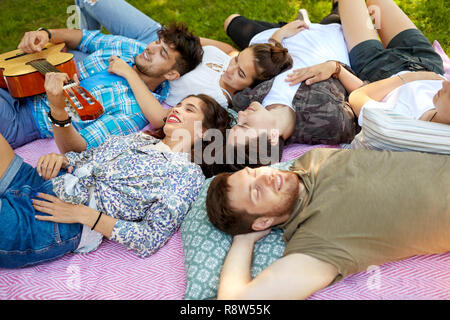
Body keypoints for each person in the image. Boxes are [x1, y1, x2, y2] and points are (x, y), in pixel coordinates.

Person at [0, 84, 232, 268]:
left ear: (204, 131)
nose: (176, 109)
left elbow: (149, 238)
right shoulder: (140, 138)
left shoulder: (187, 174)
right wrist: (62, 159)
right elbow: (86, 157)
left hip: (58, 219)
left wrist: (84, 214)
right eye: (178, 105)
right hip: (43, 181)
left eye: (189, 109)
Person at [205, 148, 450, 299]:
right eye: (256, 192)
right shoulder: (316, 243)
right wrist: (243, 241)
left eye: (253, 172)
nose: (265, 177)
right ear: (263, 222)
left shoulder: (311, 159)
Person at [225, 0, 447, 150]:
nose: (240, 117)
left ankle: (335, 17)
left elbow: (358, 96)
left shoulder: (244, 100)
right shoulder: (430, 122)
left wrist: (278, 38)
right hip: (424, 60)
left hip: (377, 68)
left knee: (232, 23)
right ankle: (336, 17)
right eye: (243, 125)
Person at [73, 0, 294, 132]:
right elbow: (227, 49)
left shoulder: (215, 98)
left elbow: (161, 118)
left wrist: (131, 73)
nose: (231, 68)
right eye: (237, 60)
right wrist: (173, 43)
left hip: (142, 68)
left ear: (250, 85)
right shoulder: (228, 59)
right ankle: (88, 35)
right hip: (155, 39)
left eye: (241, 73)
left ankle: (86, 42)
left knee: (61, 59)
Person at [1, 12, 203, 153]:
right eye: (157, 42)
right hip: (24, 80)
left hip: (27, 118)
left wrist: (57, 108)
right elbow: (84, 38)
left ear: (171, 75)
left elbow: (79, 148)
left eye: (163, 52)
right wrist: (46, 34)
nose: (151, 48)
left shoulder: (134, 111)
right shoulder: (132, 48)